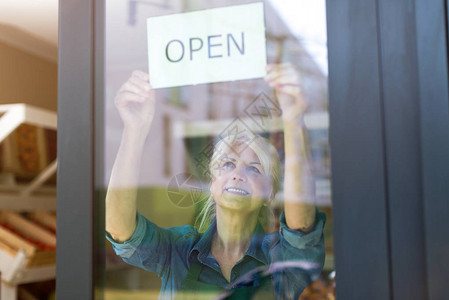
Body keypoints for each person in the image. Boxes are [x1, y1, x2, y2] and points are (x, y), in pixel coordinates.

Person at [105, 64, 326, 300]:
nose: (237, 174)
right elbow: (120, 229)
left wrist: (293, 122)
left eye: (254, 169)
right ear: (212, 184)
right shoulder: (178, 249)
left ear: (271, 192)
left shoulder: (281, 258)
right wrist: (134, 130)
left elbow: (300, 226)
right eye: (227, 164)